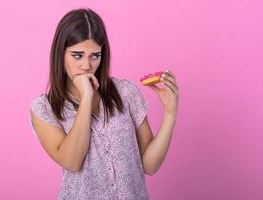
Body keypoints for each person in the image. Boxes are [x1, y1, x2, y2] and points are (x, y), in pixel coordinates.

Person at [29, 8, 179, 200]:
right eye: (77, 55)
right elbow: (72, 161)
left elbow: (150, 165)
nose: (86, 65)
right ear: (60, 54)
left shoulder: (126, 92)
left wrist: (170, 114)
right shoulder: (44, 108)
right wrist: (86, 99)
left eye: (95, 55)